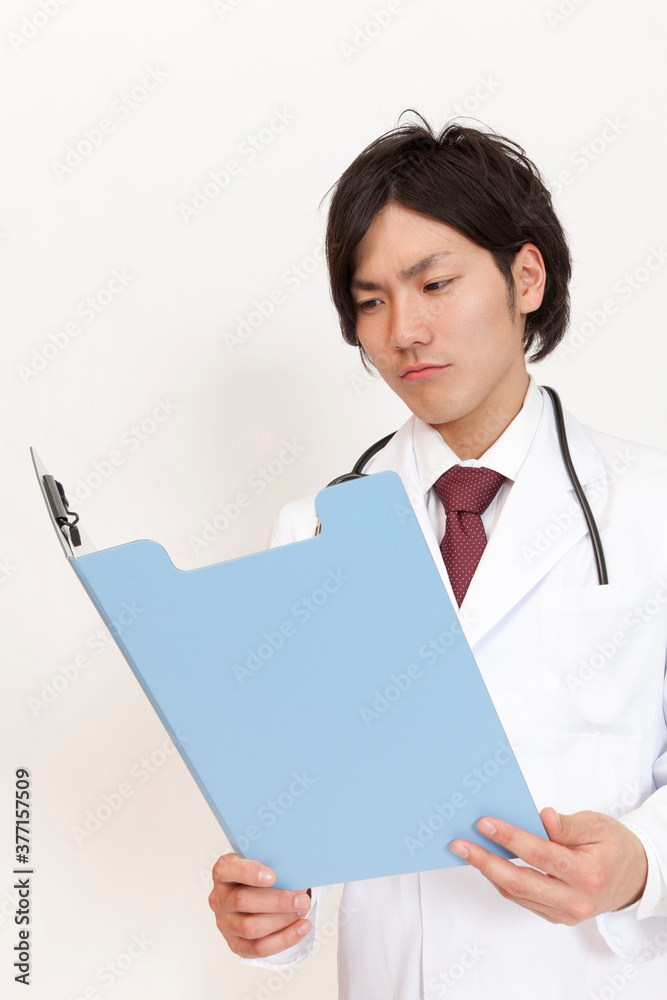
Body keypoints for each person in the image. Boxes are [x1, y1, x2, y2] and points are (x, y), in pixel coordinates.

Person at [208, 113, 667, 998]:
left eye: (434, 284)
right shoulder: (310, 533)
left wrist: (642, 863)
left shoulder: (651, 508)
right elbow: (292, 823)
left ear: (525, 277)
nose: (403, 331)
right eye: (370, 301)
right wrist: (268, 912)